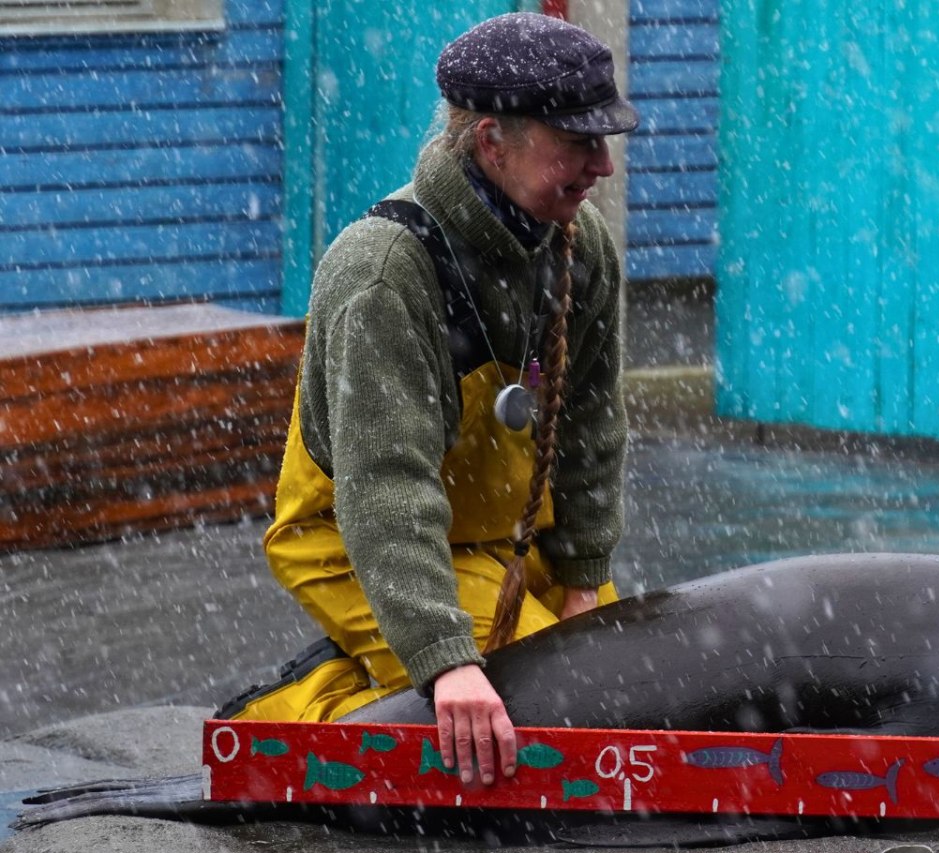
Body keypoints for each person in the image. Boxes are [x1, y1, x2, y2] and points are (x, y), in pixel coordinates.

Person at [219, 13, 636, 790]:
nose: (601, 166)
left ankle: (420, 655)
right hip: (359, 534)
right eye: (577, 143)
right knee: (531, 715)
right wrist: (447, 662)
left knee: (627, 688)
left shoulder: (582, 247)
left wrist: (583, 580)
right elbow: (386, 489)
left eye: (604, 141)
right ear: (491, 142)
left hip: (508, 541)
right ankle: (280, 720)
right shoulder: (386, 273)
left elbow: (589, 430)